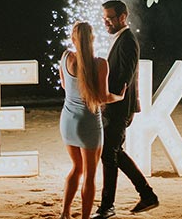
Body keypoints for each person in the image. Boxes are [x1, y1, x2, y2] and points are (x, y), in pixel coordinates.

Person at [92, 0, 158, 219]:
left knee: (109, 154)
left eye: (110, 18)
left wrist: (106, 98)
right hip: (114, 106)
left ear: (123, 17)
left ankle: (108, 206)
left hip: (119, 107)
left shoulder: (128, 40)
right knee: (114, 152)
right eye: (104, 18)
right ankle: (147, 195)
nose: (106, 22)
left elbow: (124, 78)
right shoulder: (120, 39)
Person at [59, 22, 126, 219]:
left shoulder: (65, 57)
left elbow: (65, 85)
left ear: (73, 39)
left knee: (76, 168)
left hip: (68, 121)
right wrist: (119, 97)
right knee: (89, 174)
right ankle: (85, 218)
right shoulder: (100, 63)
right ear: (93, 39)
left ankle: (64, 213)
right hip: (88, 123)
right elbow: (102, 97)